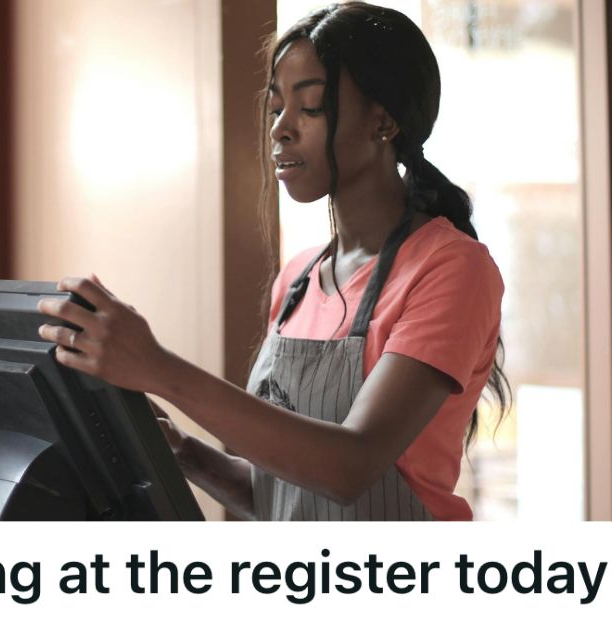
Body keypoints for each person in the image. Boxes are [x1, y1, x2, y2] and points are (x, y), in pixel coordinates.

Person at [37, 2, 509, 521]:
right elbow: (280, 497)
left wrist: (158, 369)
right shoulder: (299, 281)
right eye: (275, 107)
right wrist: (182, 451)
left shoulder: (450, 269)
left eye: (310, 108)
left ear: (383, 121)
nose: (281, 129)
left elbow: (349, 467)